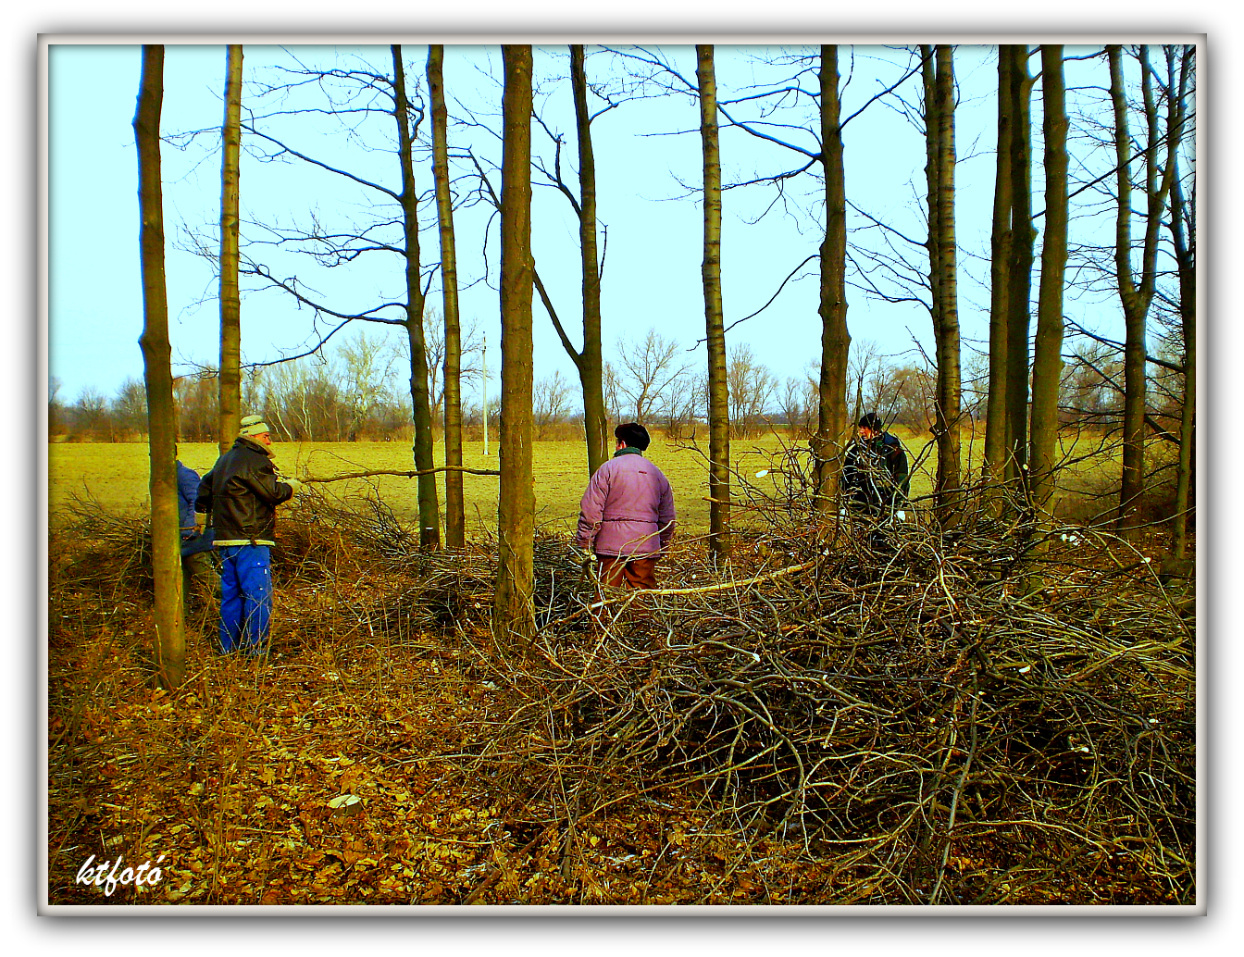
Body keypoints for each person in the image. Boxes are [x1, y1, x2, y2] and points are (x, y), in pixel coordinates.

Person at [195, 415, 301, 655]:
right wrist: (291, 486)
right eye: (266, 437)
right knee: (258, 597)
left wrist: (209, 511)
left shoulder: (224, 461)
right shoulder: (254, 461)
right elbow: (273, 493)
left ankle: (227, 648)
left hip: (225, 540)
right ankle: (256, 651)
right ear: (253, 437)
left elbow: (202, 493)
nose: (270, 442)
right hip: (251, 540)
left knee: (231, 596)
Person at [574, 422, 676, 590]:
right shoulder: (657, 474)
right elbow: (668, 517)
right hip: (646, 546)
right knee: (642, 598)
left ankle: (603, 617)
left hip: (610, 548)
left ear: (622, 443)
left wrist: (585, 542)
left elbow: (591, 511)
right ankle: (640, 617)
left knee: (605, 596)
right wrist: (661, 544)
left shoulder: (607, 469)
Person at [841, 412, 910, 518]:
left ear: (875, 429)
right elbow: (846, 477)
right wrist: (844, 503)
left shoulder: (893, 450)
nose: (861, 431)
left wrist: (899, 507)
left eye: (865, 428)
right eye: (860, 428)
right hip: (860, 506)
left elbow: (902, 479)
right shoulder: (856, 450)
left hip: (886, 505)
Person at [176, 448, 216, 610]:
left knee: (210, 579)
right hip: (180, 540)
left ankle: (242, 602)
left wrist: (189, 531)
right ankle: (182, 623)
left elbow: (197, 502)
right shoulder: (163, 477)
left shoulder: (184, 475)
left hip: (192, 540)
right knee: (179, 584)